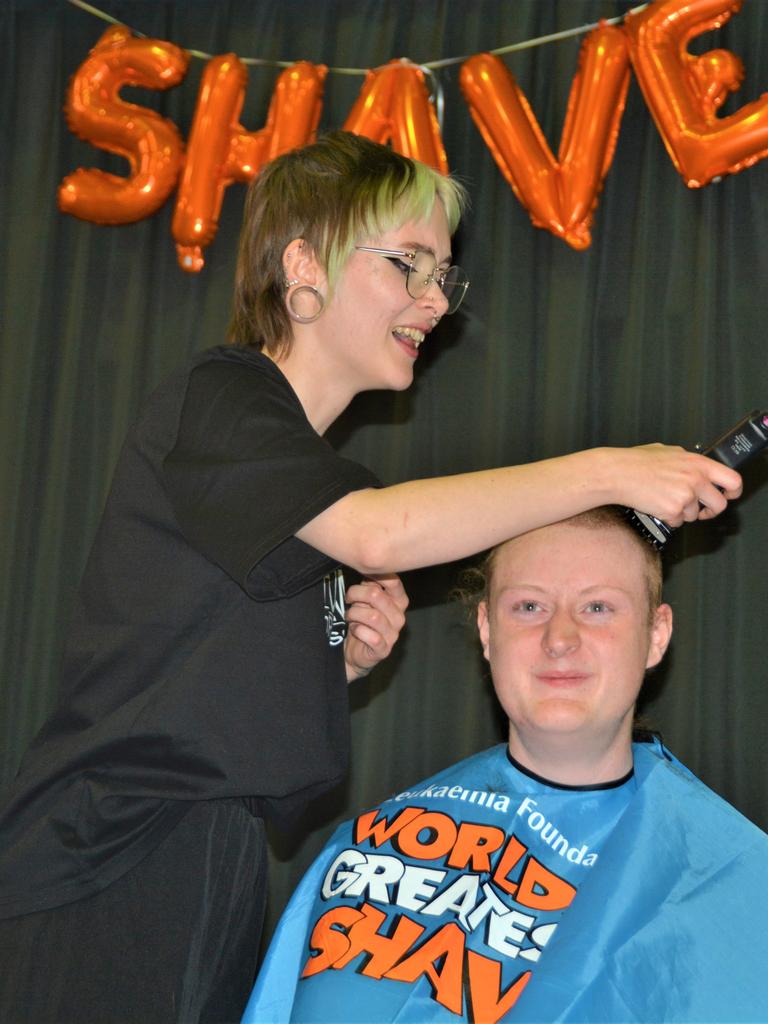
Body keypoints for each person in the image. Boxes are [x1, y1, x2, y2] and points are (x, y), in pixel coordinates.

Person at [0, 131, 742, 1023]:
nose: (436, 301)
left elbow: (215, 663)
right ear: (304, 266)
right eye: (409, 265)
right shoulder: (225, 397)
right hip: (108, 856)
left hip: (215, 860)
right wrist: (610, 470)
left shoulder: (309, 485)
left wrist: (330, 663)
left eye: (443, 276)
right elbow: (383, 534)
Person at [244, 506, 768, 1024]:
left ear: (656, 635)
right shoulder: (370, 845)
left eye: (598, 608)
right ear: (487, 630)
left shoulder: (729, 881)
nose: (560, 638)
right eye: (529, 607)